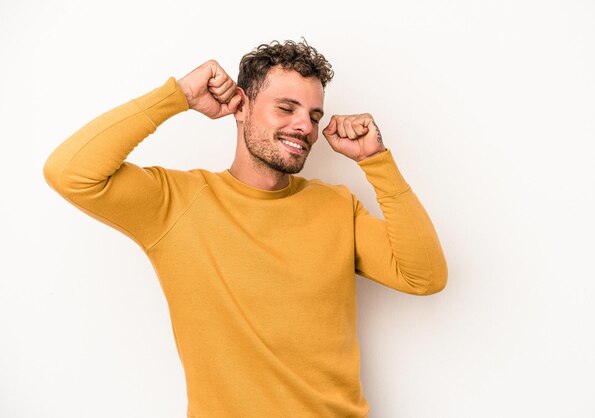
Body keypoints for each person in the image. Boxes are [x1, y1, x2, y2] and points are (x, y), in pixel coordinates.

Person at [43, 39, 448, 418]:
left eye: (314, 115)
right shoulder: (175, 203)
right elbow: (69, 173)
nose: (305, 127)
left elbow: (424, 276)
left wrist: (376, 160)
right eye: (286, 108)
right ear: (241, 107)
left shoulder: (337, 205)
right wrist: (177, 97)